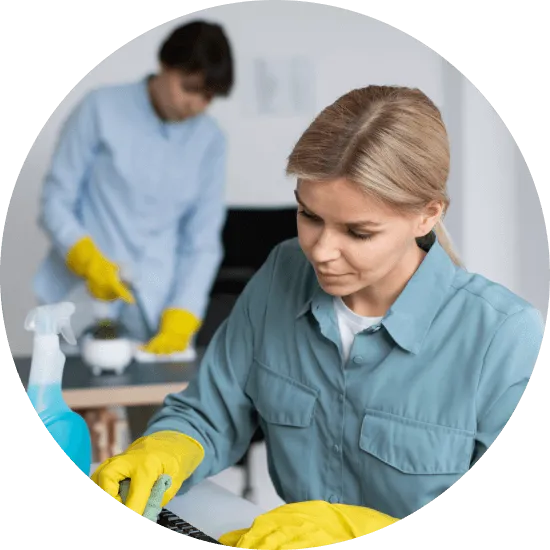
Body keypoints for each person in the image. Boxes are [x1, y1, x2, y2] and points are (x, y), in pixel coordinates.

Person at [91, 85, 544, 548]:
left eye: (358, 232)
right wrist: (168, 448)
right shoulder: (282, 272)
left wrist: (362, 528)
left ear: (427, 216)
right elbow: (211, 412)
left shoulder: (504, 336)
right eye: (309, 215)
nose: (321, 251)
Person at [32, 20, 234, 438]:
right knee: (79, 431)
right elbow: (56, 200)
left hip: (157, 303)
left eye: (208, 96)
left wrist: (183, 313)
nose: (196, 104)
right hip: (83, 296)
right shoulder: (100, 108)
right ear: (165, 64)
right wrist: (85, 258)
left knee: (159, 436)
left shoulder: (210, 140)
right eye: (189, 87)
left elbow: (201, 241)